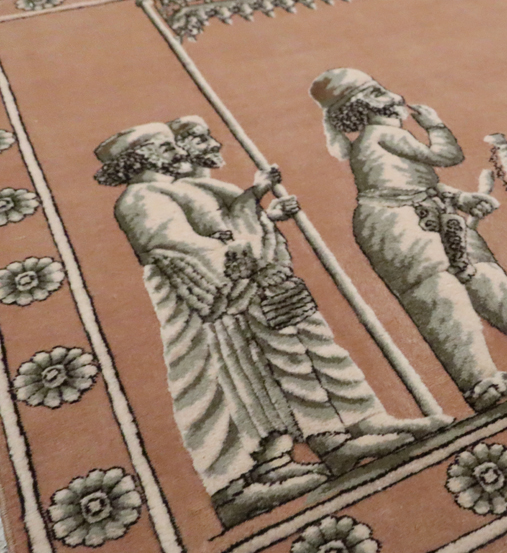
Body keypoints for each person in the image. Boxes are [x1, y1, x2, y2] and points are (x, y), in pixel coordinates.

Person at [96, 118, 449, 527]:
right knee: (216, 385)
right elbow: (182, 249)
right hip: (199, 302)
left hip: (235, 291)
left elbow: (227, 227)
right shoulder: (140, 198)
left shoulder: (176, 187)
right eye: (166, 146)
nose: (177, 150)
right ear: (141, 157)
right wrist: (247, 235)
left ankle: (318, 445)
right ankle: (234, 487)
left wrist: (258, 215)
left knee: (262, 376)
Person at [309, 69, 507, 411]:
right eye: (378, 91)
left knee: (483, 274)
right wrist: (435, 126)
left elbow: (412, 179)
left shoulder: (383, 136)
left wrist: (460, 198)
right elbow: (446, 158)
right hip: (395, 221)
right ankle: (481, 382)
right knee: (437, 292)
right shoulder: (382, 134)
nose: (393, 95)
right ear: (366, 105)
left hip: (427, 209)